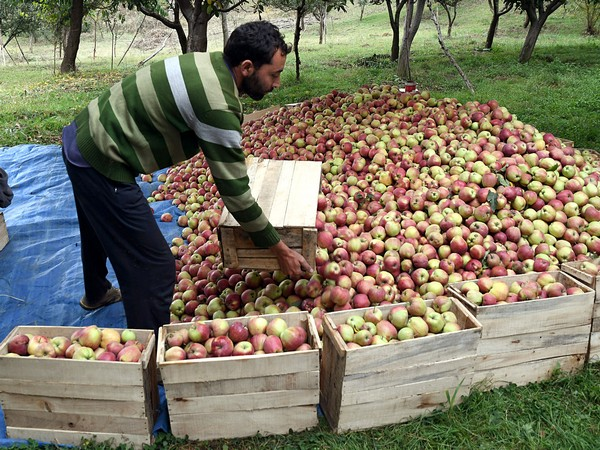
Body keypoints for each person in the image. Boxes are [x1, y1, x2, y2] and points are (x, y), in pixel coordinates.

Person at [61, 21, 312, 336]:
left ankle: (96, 293)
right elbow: (235, 194)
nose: (277, 84)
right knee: (155, 269)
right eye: (273, 75)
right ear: (247, 67)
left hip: (83, 133)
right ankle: (147, 355)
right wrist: (280, 249)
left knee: (98, 220)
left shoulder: (210, 63)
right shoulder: (217, 105)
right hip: (100, 155)